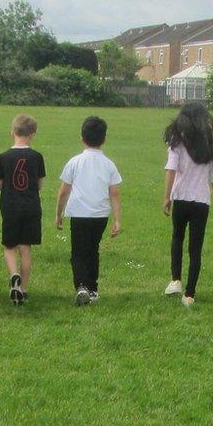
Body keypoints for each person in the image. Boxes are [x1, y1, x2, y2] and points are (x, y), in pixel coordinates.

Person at [161, 103, 213, 307]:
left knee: (177, 238)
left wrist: (166, 197)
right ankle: (190, 294)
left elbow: (170, 170)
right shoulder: (212, 146)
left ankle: (175, 280)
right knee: (195, 248)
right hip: (201, 202)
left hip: (180, 198)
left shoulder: (177, 144)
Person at [55, 116, 122, 306]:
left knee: (78, 252)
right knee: (93, 250)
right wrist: (117, 219)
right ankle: (92, 289)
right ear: (104, 139)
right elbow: (115, 193)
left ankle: (81, 286)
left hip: (78, 213)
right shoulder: (109, 164)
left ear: (82, 138)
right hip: (99, 215)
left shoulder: (75, 162)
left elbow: (63, 192)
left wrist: (58, 214)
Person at [0, 114, 46, 305]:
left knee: (9, 246)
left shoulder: (3, 157)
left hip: (10, 207)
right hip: (31, 207)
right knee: (25, 248)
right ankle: (23, 289)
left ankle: (13, 274)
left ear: (13, 131)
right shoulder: (37, 157)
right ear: (33, 134)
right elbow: (40, 184)